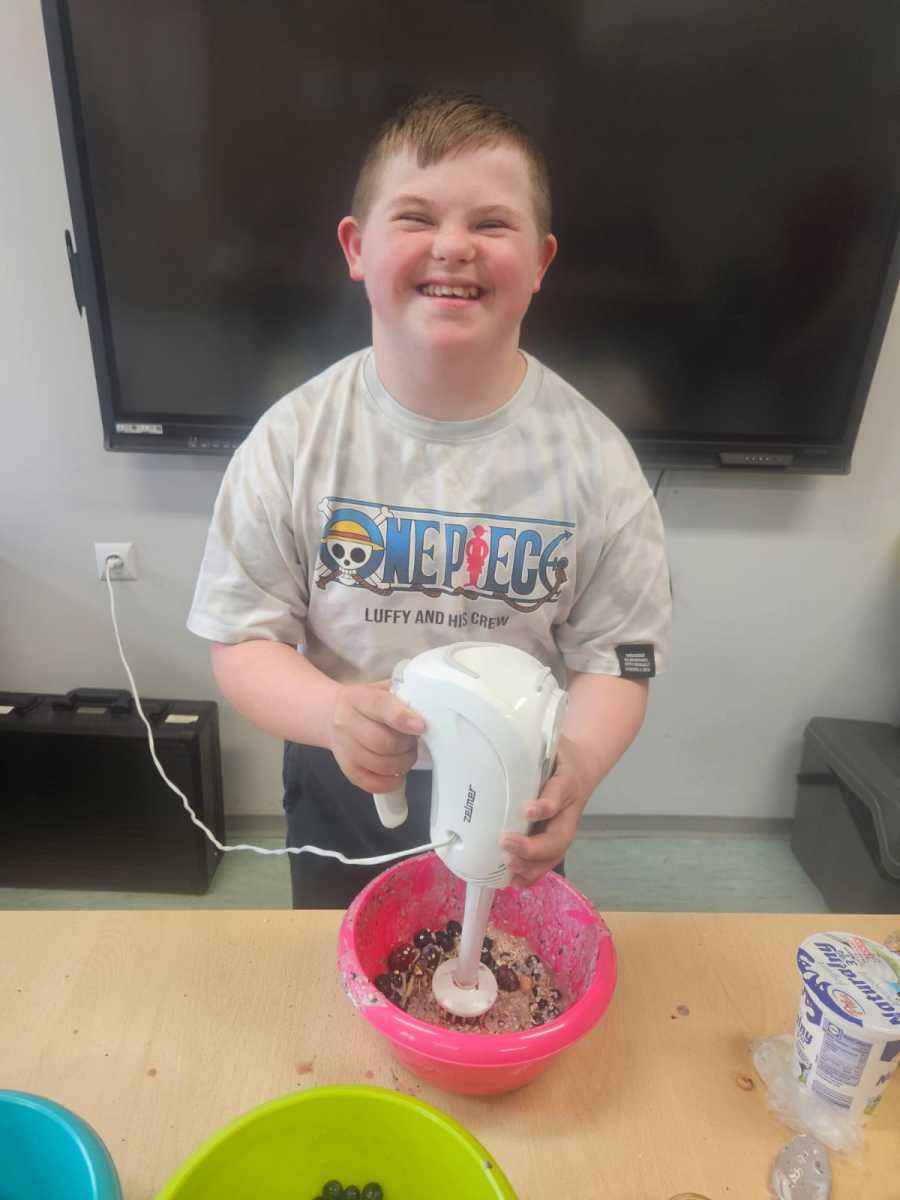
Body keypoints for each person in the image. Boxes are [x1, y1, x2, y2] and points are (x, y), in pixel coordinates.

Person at [187, 92, 672, 908]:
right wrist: (334, 714)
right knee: (345, 965)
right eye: (415, 217)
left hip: (518, 781)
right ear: (357, 247)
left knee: (503, 960)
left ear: (541, 261)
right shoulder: (291, 441)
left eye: (493, 223)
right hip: (339, 770)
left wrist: (581, 763)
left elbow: (617, 658)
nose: (453, 246)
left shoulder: (597, 462)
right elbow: (241, 639)